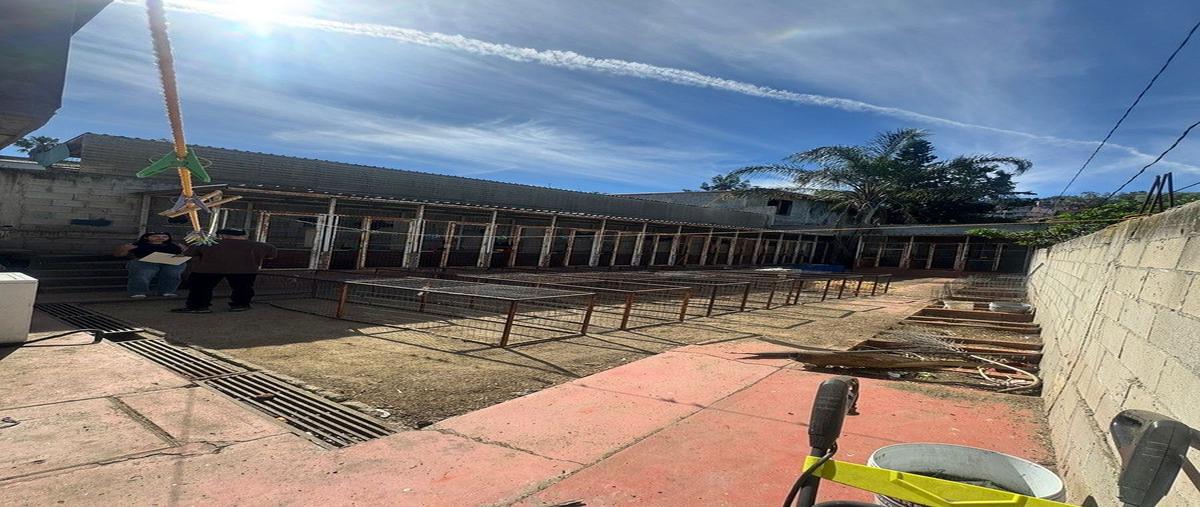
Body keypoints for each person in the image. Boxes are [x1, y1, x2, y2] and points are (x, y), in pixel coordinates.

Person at [172, 228, 276, 314]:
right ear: (245, 235)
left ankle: (198, 307)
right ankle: (240, 305)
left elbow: (188, 254)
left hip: (208, 270)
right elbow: (272, 254)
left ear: (222, 235)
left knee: (201, 288)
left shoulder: (206, 243)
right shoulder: (260, 245)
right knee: (243, 288)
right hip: (245, 270)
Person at [114, 232, 186, 298]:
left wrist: (184, 251)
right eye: (155, 236)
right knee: (143, 271)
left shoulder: (173, 246)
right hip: (145, 262)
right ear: (146, 237)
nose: (160, 238)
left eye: (164, 236)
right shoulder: (138, 244)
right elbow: (119, 255)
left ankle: (167, 291)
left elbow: (182, 255)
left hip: (168, 262)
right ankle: (139, 291)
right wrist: (125, 249)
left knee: (173, 272)